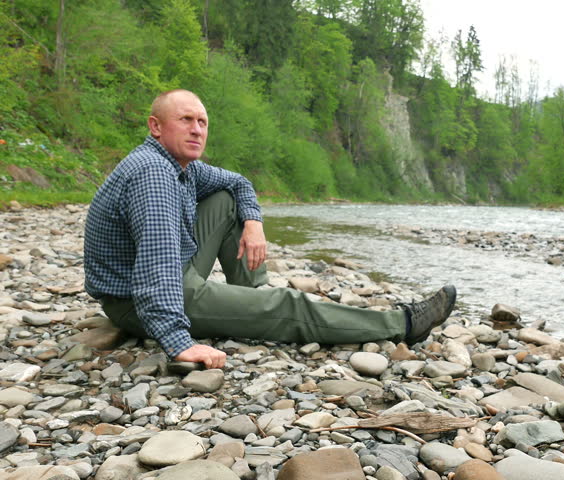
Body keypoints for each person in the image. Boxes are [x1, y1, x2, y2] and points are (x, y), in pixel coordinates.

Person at [84, 89, 456, 369]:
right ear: (155, 126)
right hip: (140, 299)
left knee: (227, 199)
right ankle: (402, 323)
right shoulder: (154, 174)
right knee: (287, 303)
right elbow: (156, 270)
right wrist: (177, 341)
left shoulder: (182, 166)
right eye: (185, 120)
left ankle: (255, 298)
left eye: (202, 122)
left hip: (164, 276)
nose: (197, 130)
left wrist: (254, 221)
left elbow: (239, 183)